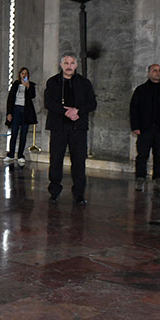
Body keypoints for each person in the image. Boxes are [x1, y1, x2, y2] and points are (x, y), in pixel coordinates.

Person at [44, 52, 97, 205]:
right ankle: (54, 192)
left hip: (78, 128)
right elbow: (49, 103)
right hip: (58, 127)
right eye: (66, 63)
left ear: (76, 65)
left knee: (79, 161)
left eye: (72, 63)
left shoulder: (84, 83)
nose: (69, 66)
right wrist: (66, 112)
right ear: (61, 65)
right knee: (55, 160)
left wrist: (78, 111)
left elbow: (92, 103)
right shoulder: (52, 82)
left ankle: (79, 194)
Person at [130, 63, 160, 193]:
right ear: (149, 73)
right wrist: (135, 126)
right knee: (142, 156)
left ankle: (158, 181)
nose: (157, 73)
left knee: (159, 156)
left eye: (159, 71)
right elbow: (134, 109)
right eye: (155, 70)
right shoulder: (141, 90)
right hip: (144, 129)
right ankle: (140, 179)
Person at [4, 67, 38, 167]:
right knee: (14, 133)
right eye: (22, 73)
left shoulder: (31, 85)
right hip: (16, 110)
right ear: (19, 74)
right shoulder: (15, 84)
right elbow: (10, 99)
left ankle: (20, 155)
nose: (24, 75)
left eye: (26, 73)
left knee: (23, 135)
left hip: (25, 112)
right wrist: (9, 113)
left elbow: (32, 96)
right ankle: (10, 154)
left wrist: (28, 87)